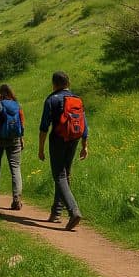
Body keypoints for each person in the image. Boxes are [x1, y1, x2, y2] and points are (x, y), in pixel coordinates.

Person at [38, 71, 87, 231]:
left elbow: (44, 127)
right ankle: (56, 213)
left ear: (55, 83)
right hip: (74, 139)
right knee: (66, 174)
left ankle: (74, 211)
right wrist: (85, 146)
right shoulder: (77, 99)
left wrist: (41, 148)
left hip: (58, 139)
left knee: (59, 175)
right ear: (68, 83)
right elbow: (84, 125)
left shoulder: (51, 99)